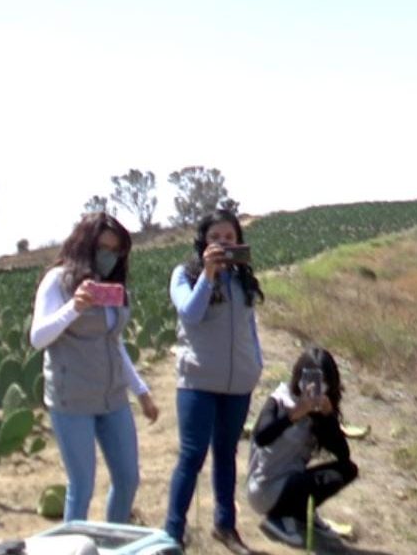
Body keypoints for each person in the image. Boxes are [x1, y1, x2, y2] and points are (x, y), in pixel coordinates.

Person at [29, 212, 159, 524]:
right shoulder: (58, 282)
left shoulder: (114, 288)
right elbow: (38, 338)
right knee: (82, 486)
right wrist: (74, 307)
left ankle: (112, 539)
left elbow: (113, 343)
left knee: (128, 479)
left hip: (112, 396)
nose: (108, 256)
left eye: (116, 251)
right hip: (72, 399)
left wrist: (140, 391)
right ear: (84, 245)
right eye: (103, 247)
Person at [163, 209, 263, 554]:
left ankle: (226, 526)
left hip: (238, 384)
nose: (222, 244)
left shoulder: (243, 279)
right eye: (215, 238)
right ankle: (172, 534)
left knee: (226, 454)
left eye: (229, 238)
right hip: (197, 382)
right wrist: (208, 274)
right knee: (192, 456)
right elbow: (189, 313)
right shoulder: (184, 274)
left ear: (238, 241)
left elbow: (249, 327)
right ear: (202, 243)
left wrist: (256, 364)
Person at [248, 346, 358, 547]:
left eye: (322, 382)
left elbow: (343, 455)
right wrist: (294, 414)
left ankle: (298, 512)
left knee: (346, 470)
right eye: (311, 379)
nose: (316, 387)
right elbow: (261, 437)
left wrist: (328, 417)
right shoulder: (280, 399)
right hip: (265, 487)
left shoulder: (321, 409)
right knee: (302, 481)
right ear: (300, 377)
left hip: (292, 479)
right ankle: (279, 516)